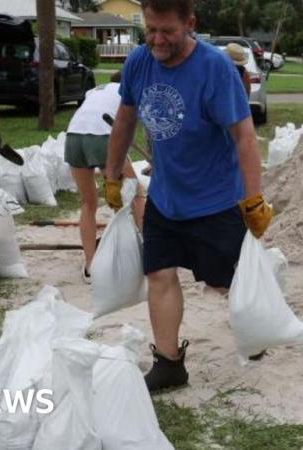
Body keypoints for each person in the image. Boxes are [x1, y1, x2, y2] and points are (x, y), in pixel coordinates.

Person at [103, 0, 272, 392]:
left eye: (167, 31)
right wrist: (112, 175)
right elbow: (125, 119)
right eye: (151, 30)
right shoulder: (139, 63)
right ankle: (169, 364)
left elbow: (244, 137)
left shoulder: (215, 69)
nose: (157, 40)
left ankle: (257, 326)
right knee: (159, 273)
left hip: (215, 200)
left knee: (229, 282)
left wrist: (253, 199)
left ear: (190, 24)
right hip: (165, 195)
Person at [64, 71, 140, 284]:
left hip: (73, 137)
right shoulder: (129, 92)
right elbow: (127, 128)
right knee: (135, 194)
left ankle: (90, 266)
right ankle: (147, 252)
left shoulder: (94, 91)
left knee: (88, 202)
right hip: (103, 136)